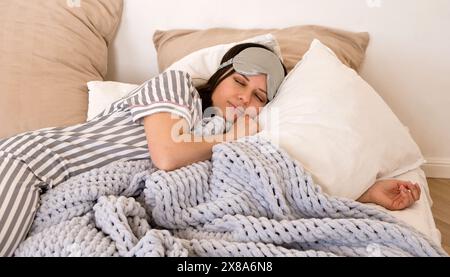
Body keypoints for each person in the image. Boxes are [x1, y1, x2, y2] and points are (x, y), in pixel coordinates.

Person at [0, 43, 420, 256]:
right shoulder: (177, 86)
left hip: (59, 197)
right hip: (32, 163)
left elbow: (257, 196)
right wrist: (231, 138)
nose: (246, 99)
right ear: (219, 77)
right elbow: (166, 154)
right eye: (240, 83)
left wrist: (361, 196)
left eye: (259, 96)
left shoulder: (217, 138)